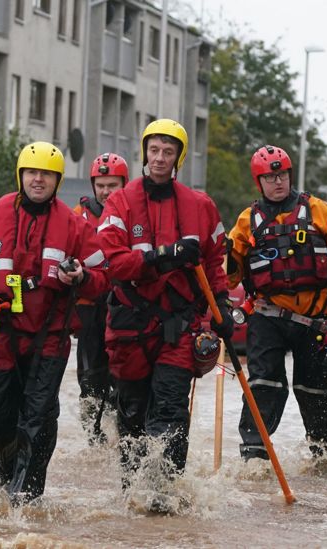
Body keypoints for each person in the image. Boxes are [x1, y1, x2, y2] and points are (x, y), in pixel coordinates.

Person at [0, 141, 109, 505]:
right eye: (32, 173)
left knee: (37, 422)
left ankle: (27, 499)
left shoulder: (73, 224)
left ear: (57, 180)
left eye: (46, 175)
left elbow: (104, 275)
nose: (38, 180)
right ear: (21, 175)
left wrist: (82, 277)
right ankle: (4, 466)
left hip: (49, 338)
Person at [96, 119, 232, 501]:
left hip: (179, 323)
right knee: (133, 413)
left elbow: (214, 261)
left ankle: (165, 491)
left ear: (178, 158)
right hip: (129, 324)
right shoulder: (119, 202)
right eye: (154, 150)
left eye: (167, 152)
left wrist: (220, 303)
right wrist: (164, 256)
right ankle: (132, 492)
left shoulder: (201, 206)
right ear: (144, 153)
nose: (159, 158)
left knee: (170, 409)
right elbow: (114, 262)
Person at [225, 145, 327, 464]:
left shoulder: (320, 212)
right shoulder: (247, 221)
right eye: (271, 177)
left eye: (283, 175)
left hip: (315, 321)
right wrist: (223, 254)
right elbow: (230, 276)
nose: (279, 182)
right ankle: (254, 459)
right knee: (264, 386)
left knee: (315, 393)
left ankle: (323, 458)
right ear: (258, 181)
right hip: (267, 318)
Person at [71, 152, 128, 445]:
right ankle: (93, 440)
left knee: (124, 375)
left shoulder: (131, 212)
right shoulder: (77, 216)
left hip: (124, 305)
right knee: (90, 376)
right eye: (101, 185)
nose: (106, 192)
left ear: (123, 184)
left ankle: (122, 432)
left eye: (112, 185)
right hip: (90, 308)